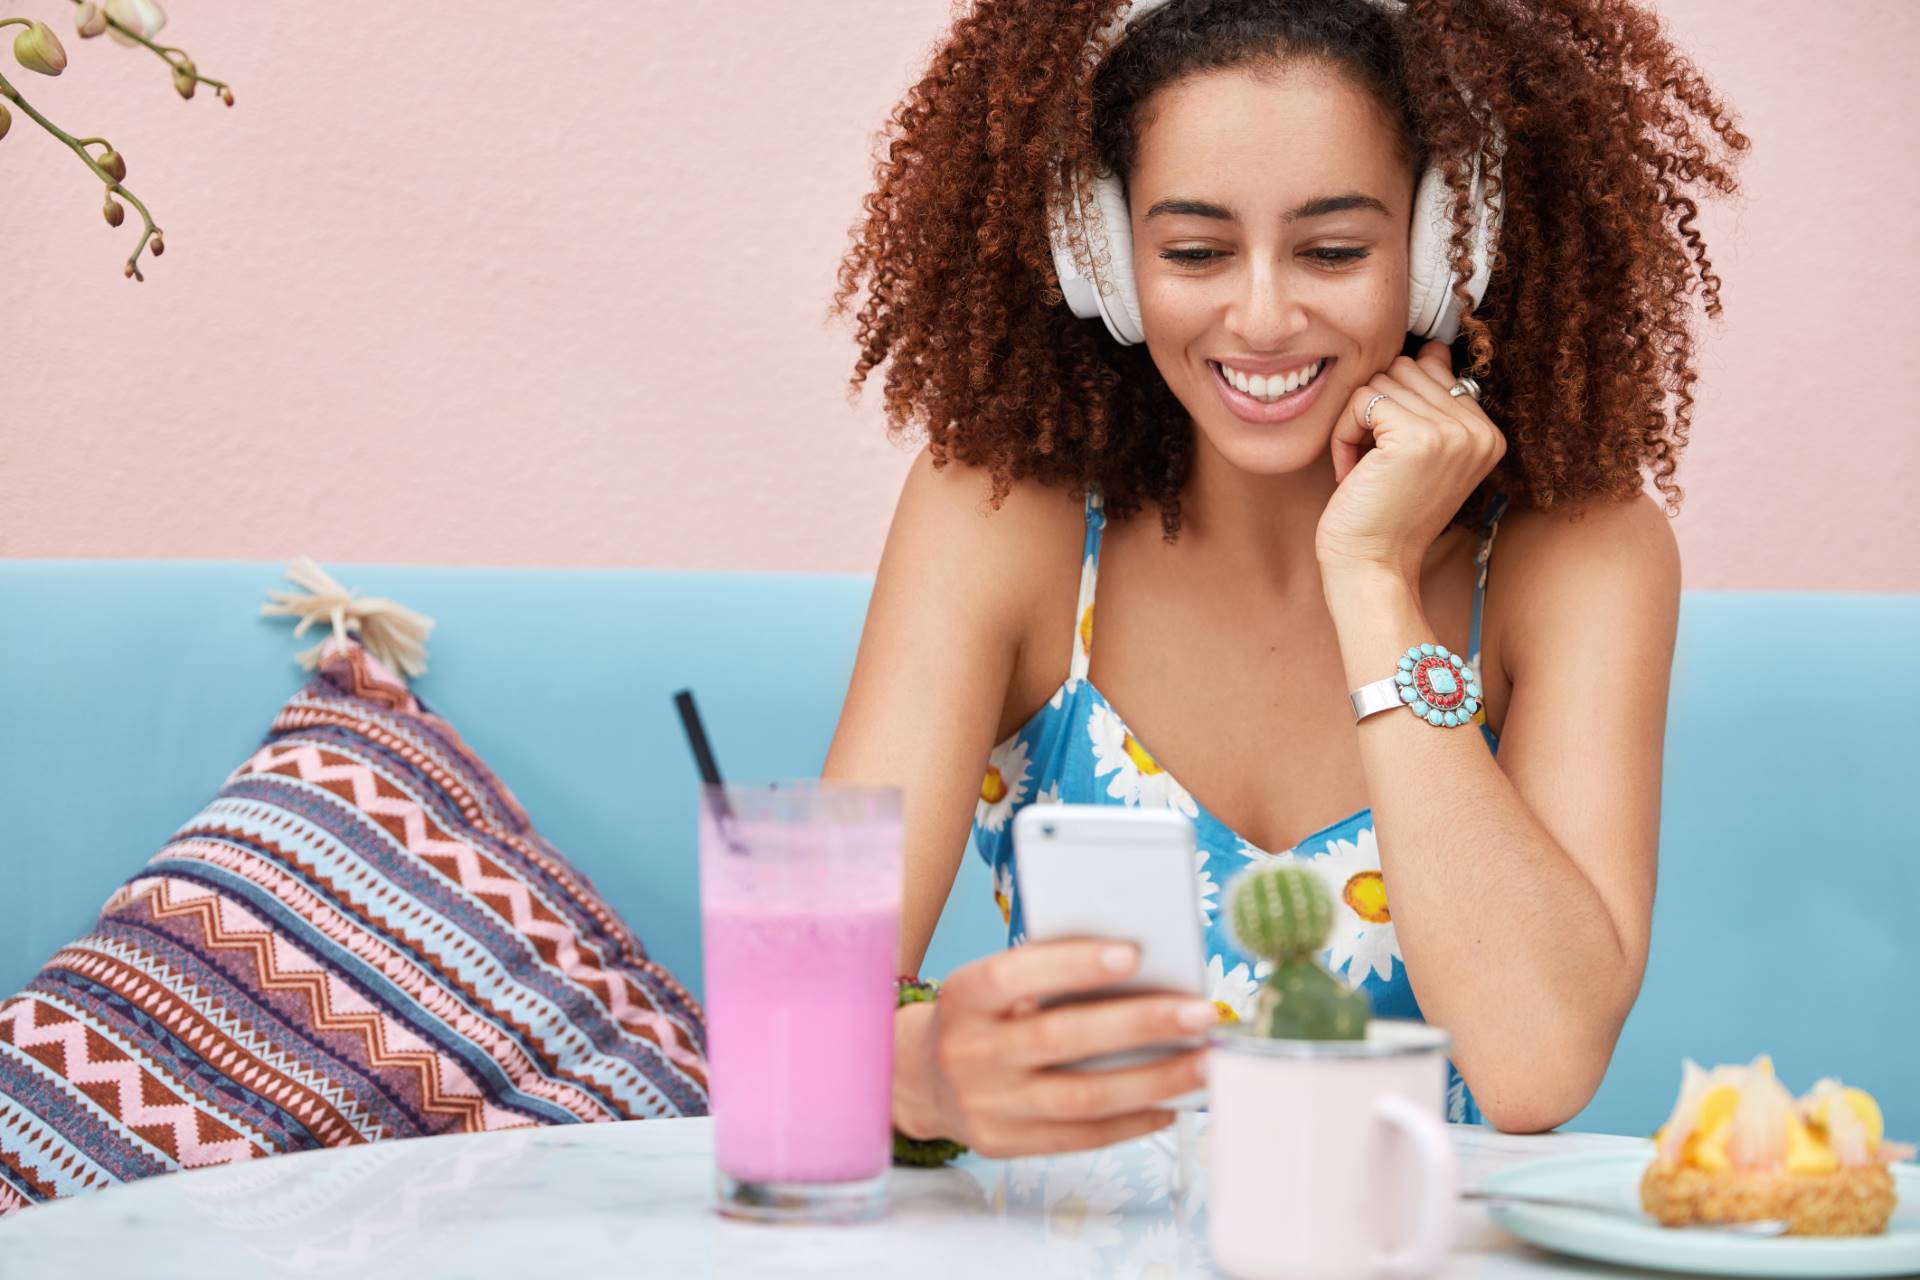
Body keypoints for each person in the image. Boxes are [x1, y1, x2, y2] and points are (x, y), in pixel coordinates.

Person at [825, 0, 1746, 1154]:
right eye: (1196, 251)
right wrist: (924, 1079)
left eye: (1334, 250)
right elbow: (808, 1007)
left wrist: (1371, 578)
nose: (1261, 316)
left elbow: (1535, 1063)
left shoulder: (1579, 558)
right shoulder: (1001, 520)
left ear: (1437, 248)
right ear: (1102, 258)